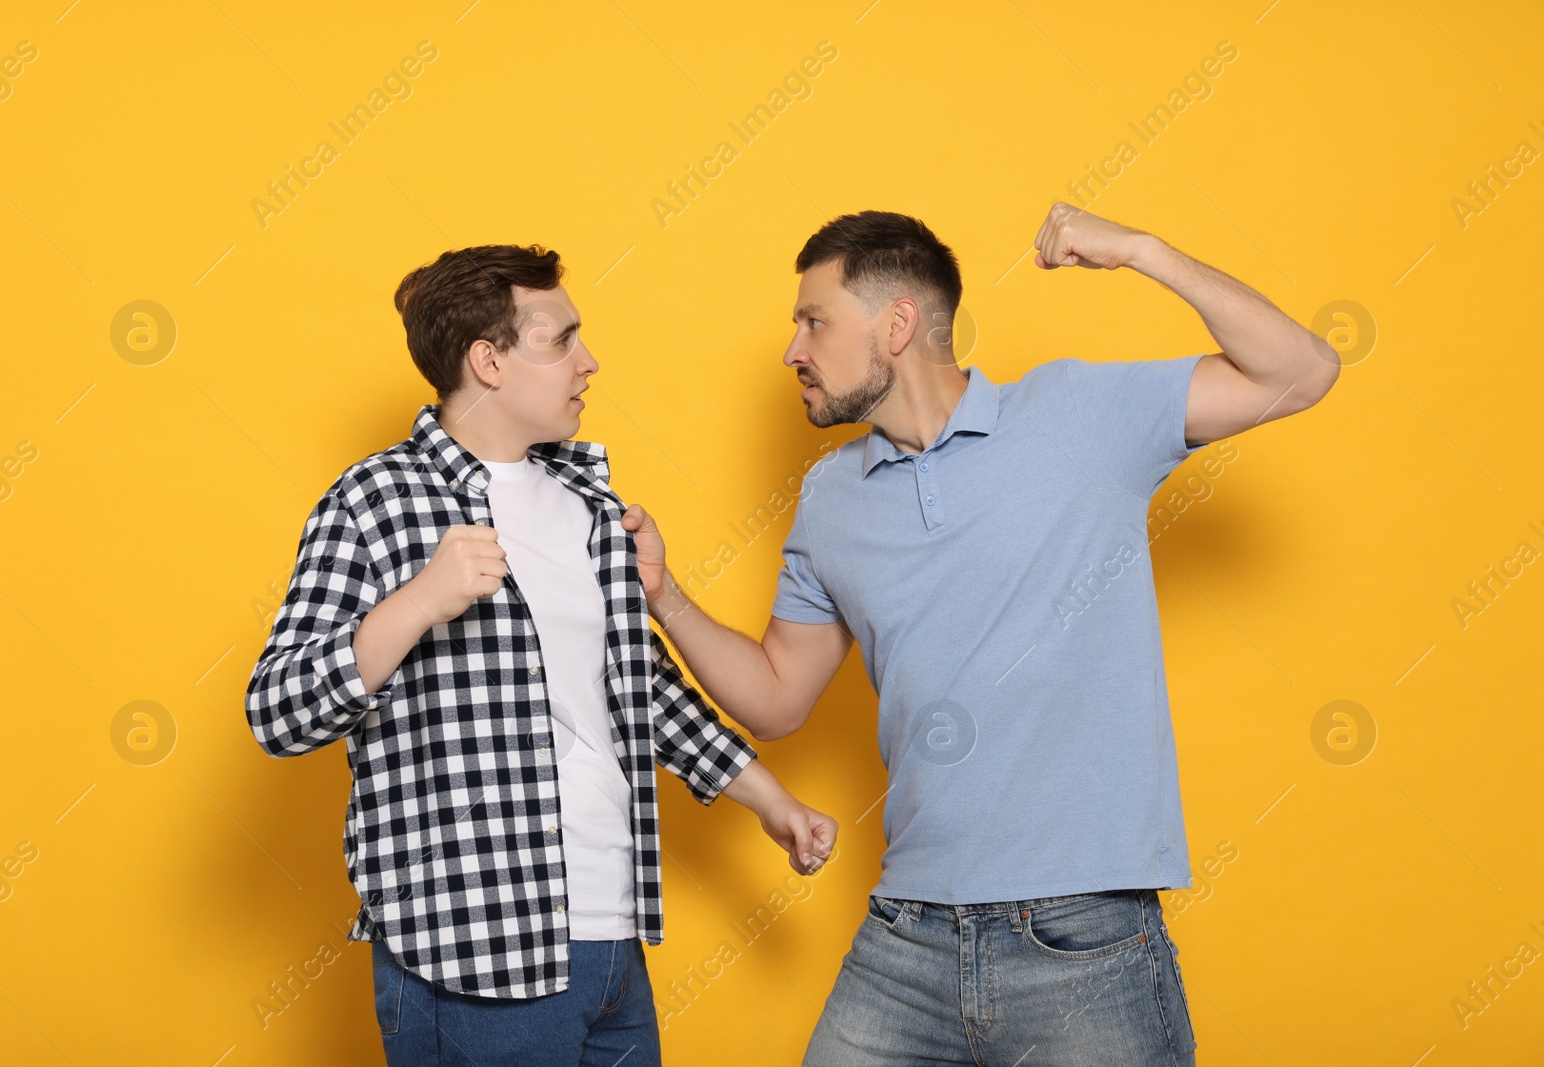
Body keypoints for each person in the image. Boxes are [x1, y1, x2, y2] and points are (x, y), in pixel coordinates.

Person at [620, 206, 1339, 1065]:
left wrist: (1145, 252)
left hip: (1082, 935)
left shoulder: (1079, 412)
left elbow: (1303, 371)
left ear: (897, 324)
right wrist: (664, 595)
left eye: (814, 321)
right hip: (908, 933)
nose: (794, 351)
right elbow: (777, 695)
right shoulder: (830, 496)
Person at [245, 243, 837, 1067]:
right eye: (560, 340)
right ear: (488, 360)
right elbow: (278, 709)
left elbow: (639, 689)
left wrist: (770, 800)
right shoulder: (373, 500)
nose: (588, 361)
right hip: (471, 946)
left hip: (611, 936)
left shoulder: (591, 503)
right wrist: (419, 600)